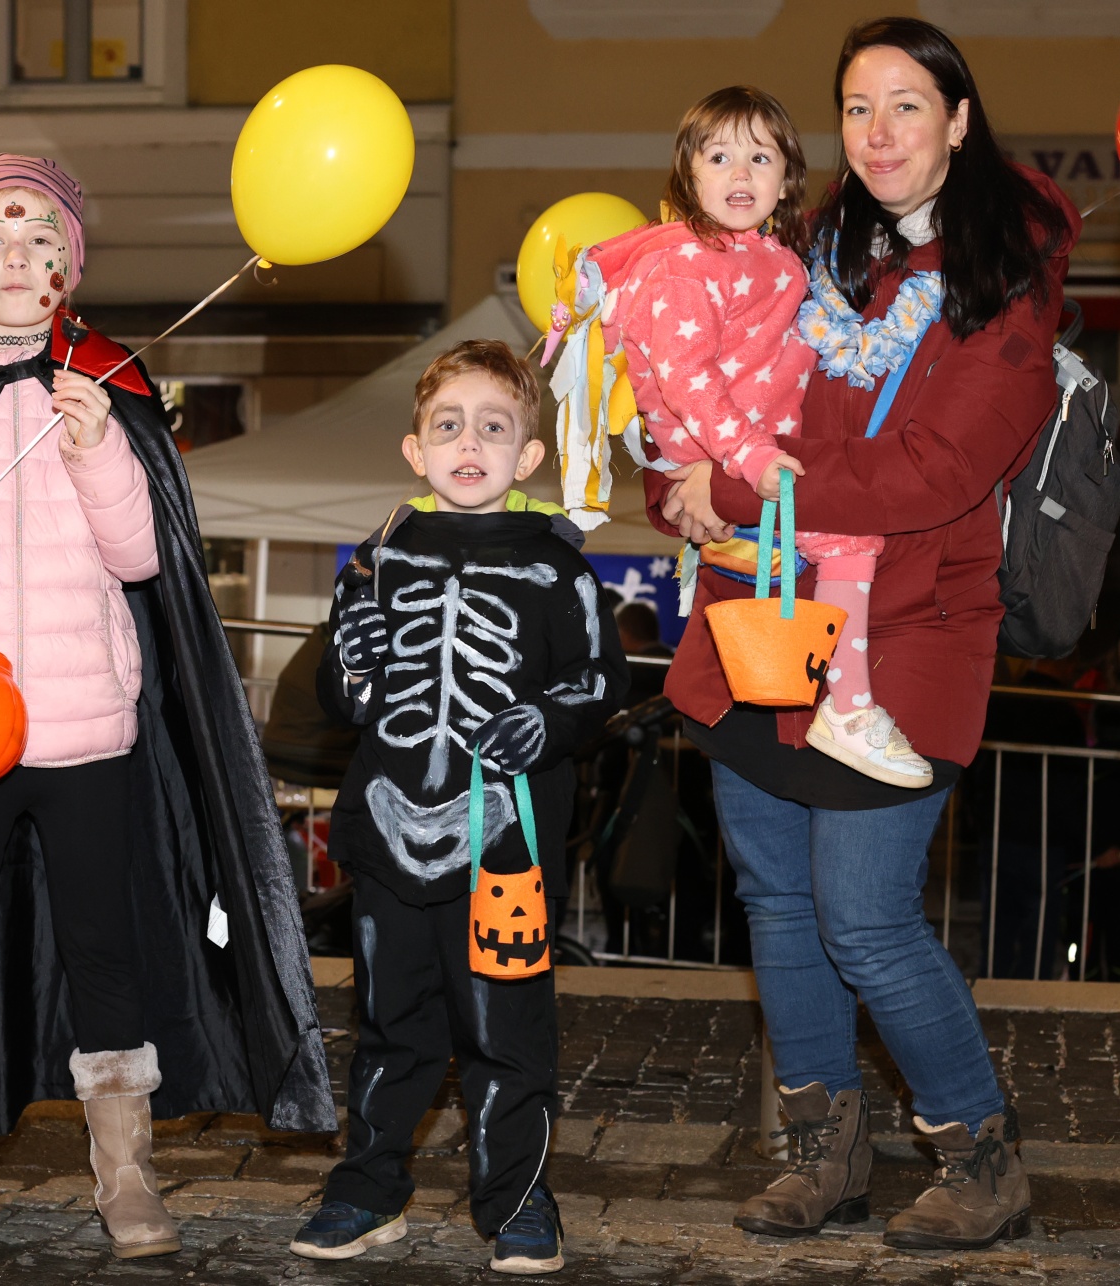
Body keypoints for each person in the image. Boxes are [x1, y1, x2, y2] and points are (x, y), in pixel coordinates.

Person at [0, 155, 335, 1267]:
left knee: (105, 948)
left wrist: (100, 447)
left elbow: (145, 557)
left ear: (68, 266)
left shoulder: (110, 384)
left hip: (86, 728)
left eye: (39, 239)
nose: (16, 257)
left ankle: (125, 1171)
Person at [648, 18, 1079, 1251]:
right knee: (779, 903)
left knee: (866, 917)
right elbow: (714, 399)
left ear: (959, 120)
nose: (877, 133)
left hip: (906, 643)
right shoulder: (806, 255)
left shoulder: (1004, 285)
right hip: (763, 623)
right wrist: (677, 480)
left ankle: (979, 1153)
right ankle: (822, 1150)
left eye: (906, 104)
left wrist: (737, 490)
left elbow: (929, 472)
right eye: (855, 107)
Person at [289, 340, 628, 1274]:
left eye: (492, 427)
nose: (468, 443)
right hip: (388, 830)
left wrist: (547, 716)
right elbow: (341, 696)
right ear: (415, 450)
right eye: (448, 426)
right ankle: (368, 1188)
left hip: (502, 846)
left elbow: (602, 679)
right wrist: (352, 661)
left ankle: (517, 1197)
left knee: (505, 1027)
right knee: (388, 1024)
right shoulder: (378, 558)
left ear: (528, 455)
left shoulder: (559, 569)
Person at [594, 86, 930, 788]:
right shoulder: (685, 266)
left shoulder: (775, 258)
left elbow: (785, 358)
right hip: (717, 449)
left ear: (786, 179)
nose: (740, 174)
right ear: (687, 175)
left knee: (824, 548)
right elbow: (686, 380)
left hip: (746, 449)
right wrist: (747, 456)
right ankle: (848, 707)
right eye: (718, 157)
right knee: (848, 539)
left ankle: (833, 702)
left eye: (759, 157)